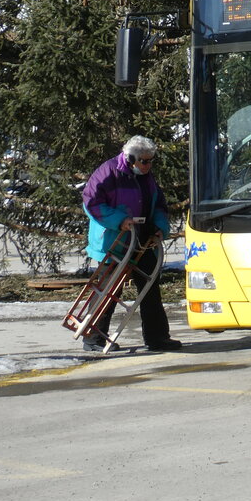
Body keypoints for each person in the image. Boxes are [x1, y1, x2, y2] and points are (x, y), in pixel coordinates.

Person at [80, 136, 180, 352]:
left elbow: (160, 205)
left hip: (142, 240)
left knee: (150, 289)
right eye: (144, 161)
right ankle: (93, 338)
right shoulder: (108, 172)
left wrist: (159, 228)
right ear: (130, 158)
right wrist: (119, 220)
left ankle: (157, 337)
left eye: (151, 161)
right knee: (108, 289)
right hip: (114, 241)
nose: (148, 165)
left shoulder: (147, 177)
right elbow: (92, 202)